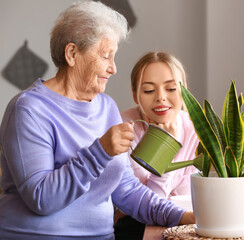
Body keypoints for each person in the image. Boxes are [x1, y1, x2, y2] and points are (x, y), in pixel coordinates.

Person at [0, 2, 194, 240]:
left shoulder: (106, 107)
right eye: (105, 56)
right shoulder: (28, 109)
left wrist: (186, 217)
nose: (113, 68)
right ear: (72, 54)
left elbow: (128, 191)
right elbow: (41, 199)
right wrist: (100, 151)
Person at [114, 52, 199, 238]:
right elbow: (145, 207)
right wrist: (166, 149)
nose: (160, 97)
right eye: (149, 91)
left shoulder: (194, 131)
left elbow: (184, 200)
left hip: (178, 223)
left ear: (184, 91)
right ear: (135, 95)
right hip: (132, 226)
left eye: (171, 88)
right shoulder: (124, 129)